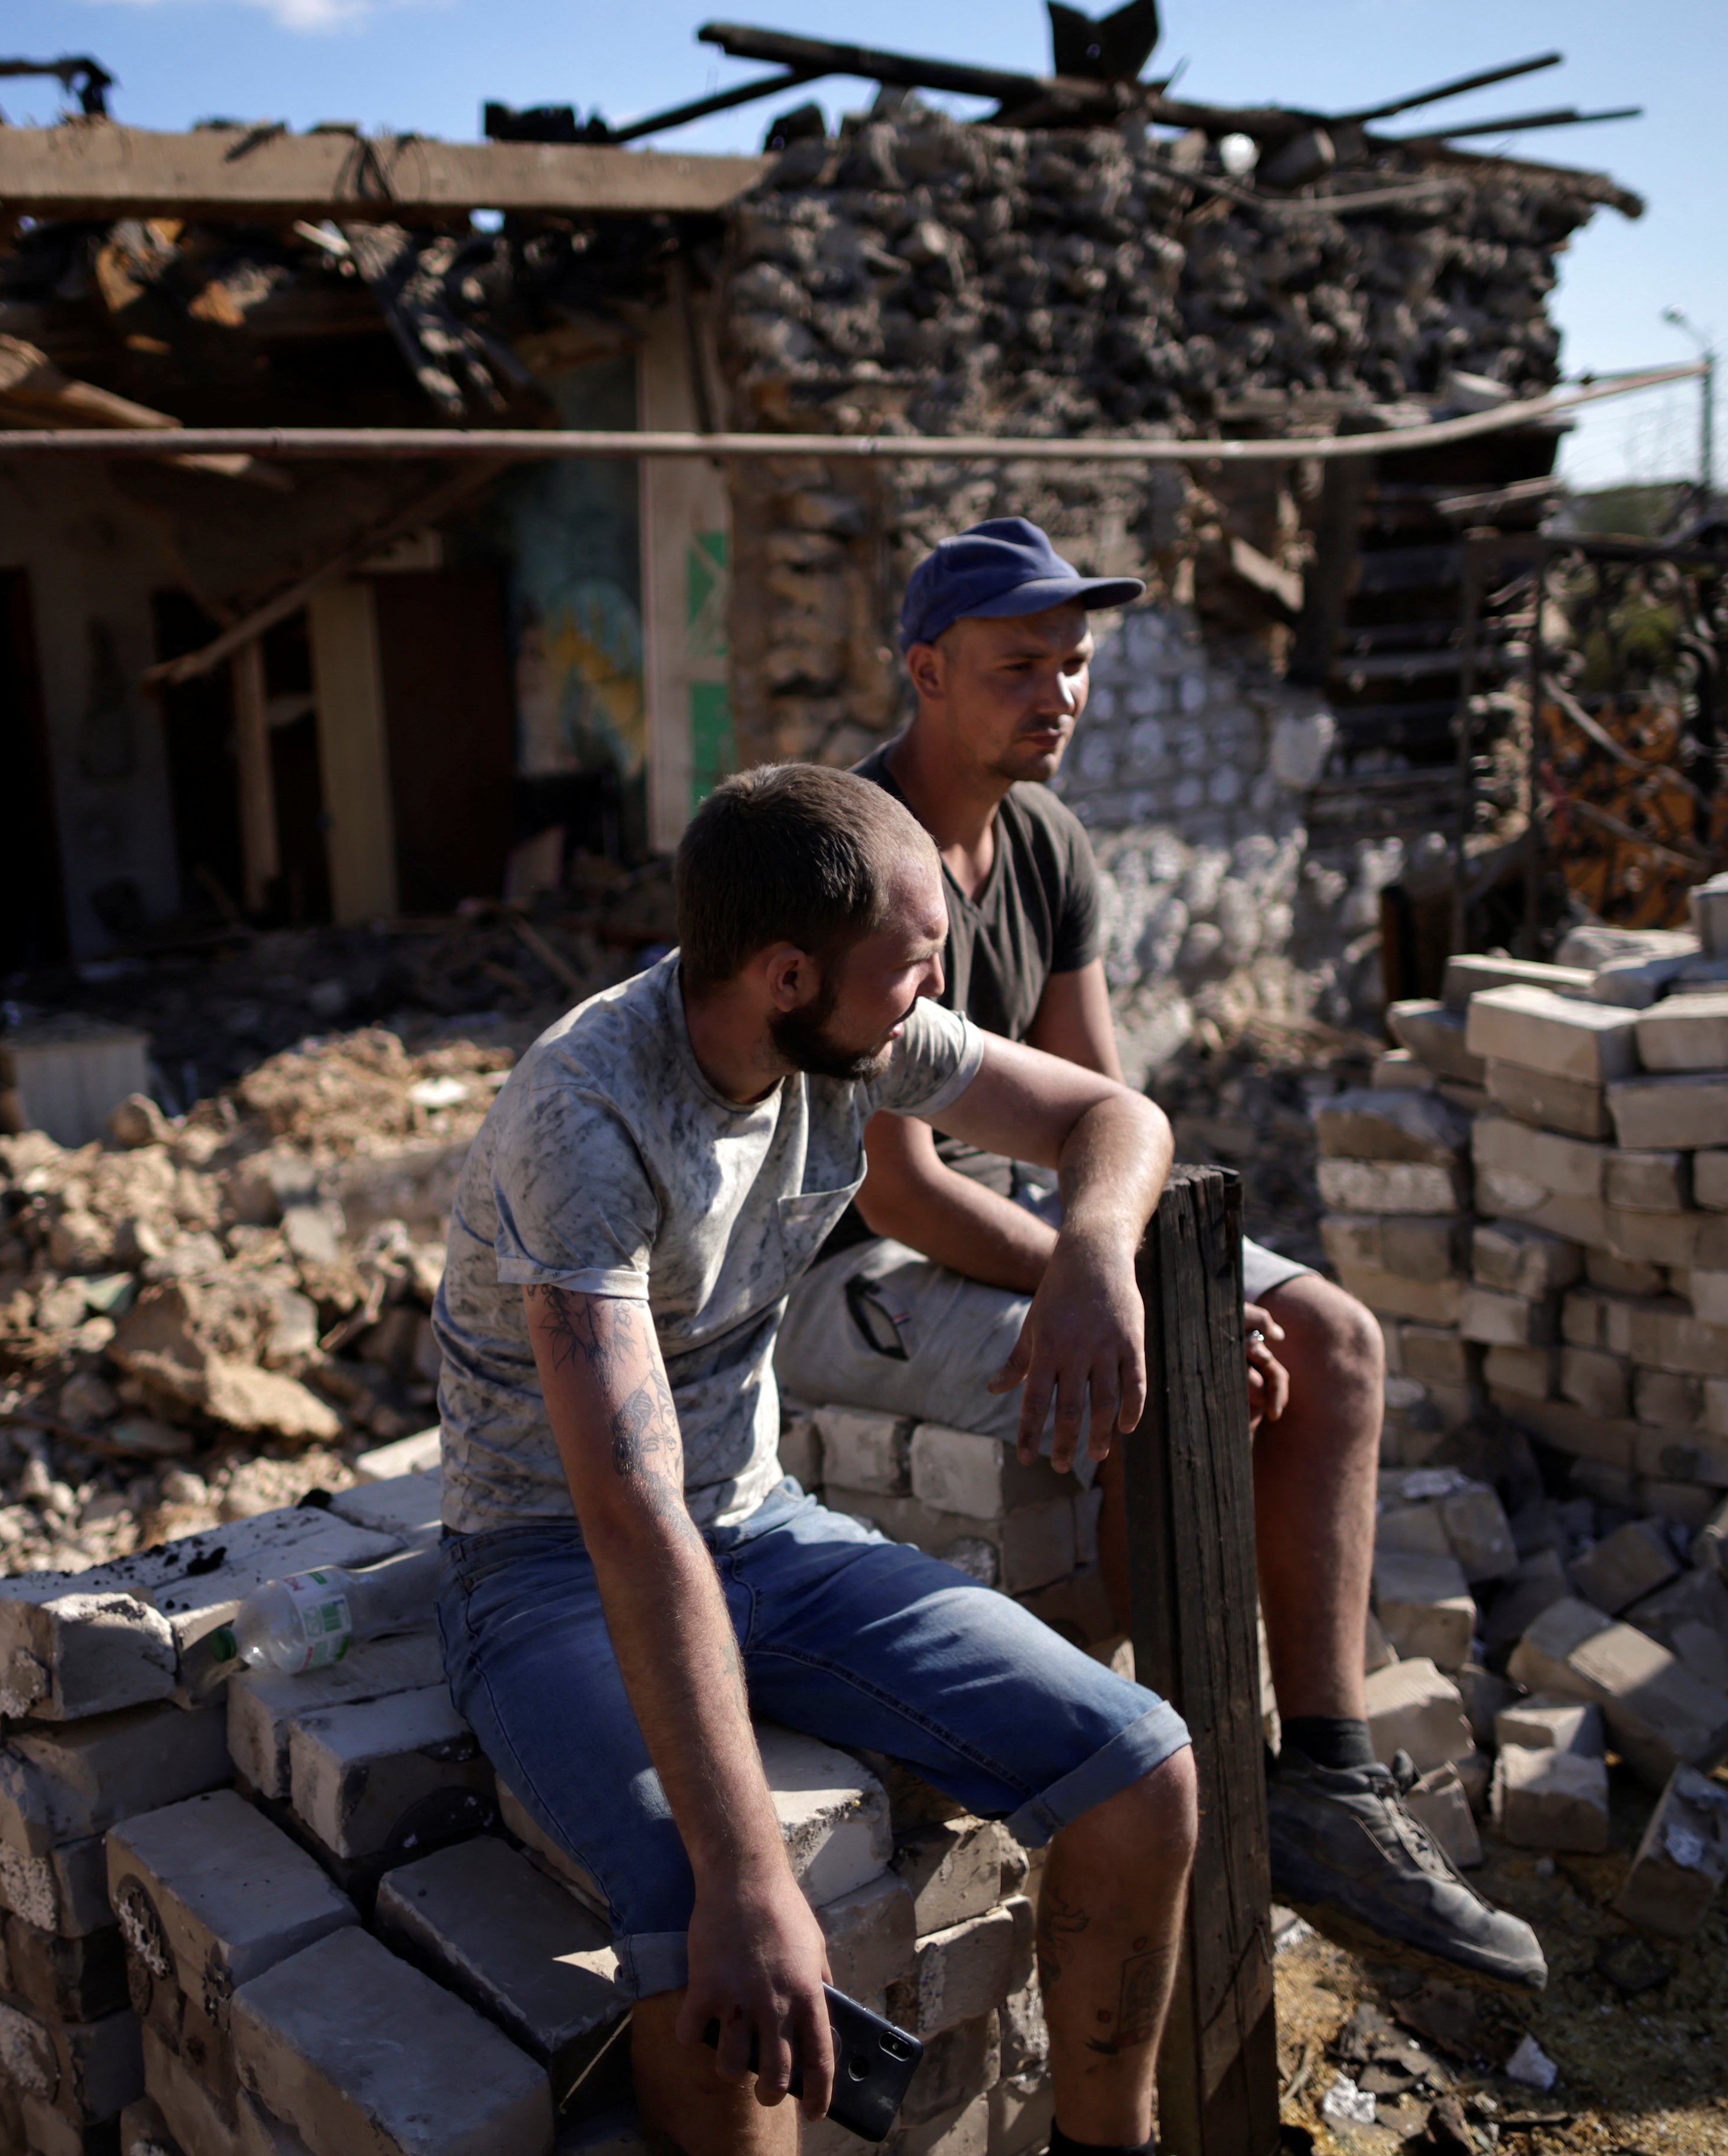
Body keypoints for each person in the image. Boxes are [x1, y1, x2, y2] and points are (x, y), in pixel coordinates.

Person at [772, 517, 1547, 1995]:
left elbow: (1110, 1117)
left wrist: (1124, 1265)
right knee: (1169, 1384)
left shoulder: (1049, 841)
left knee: (1329, 1343)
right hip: (843, 1267)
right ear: (924, 671)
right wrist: (1106, 1291)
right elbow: (903, 1191)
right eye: (1018, 667)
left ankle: (1318, 1778)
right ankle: (1153, 1771)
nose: (1057, 695)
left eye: (1073, 666)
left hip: (1001, 1222)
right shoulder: (851, 851)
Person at [433, 762, 1208, 2156]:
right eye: (912, 967)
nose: (932, 994)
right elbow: (625, 1512)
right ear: (787, 974)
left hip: (761, 1531)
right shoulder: (585, 1119)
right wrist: (745, 1877)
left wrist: (1091, 1257)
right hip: (550, 1569)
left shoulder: (856, 1032)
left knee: (1142, 1770)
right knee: (706, 1934)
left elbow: (1111, 1118)